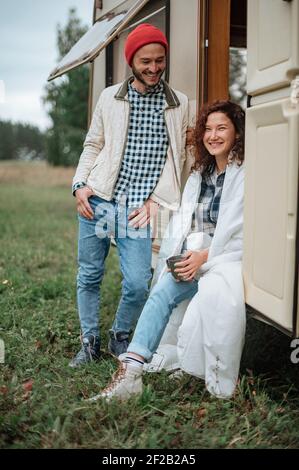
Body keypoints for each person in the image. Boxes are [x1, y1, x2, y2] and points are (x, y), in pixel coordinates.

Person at [88, 100, 246, 400]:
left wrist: (204, 256)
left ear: (237, 133)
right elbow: (184, 223)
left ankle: (210, 375)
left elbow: (246, 234)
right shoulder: (202, 174)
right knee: (160, 291)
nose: (213, 135)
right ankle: (130, 373)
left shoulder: (245, 176)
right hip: (192, 259)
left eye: (222, 128)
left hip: (224, 260)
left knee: (207, 296)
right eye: (208, 129)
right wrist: (186, 254)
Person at [69, 23, 188, 367]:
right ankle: (88, 341)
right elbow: (93, 145)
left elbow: (177, 158)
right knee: (90, 274)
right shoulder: (110, 98)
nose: (153, 68)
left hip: (137, 209)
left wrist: (156, 201)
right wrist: (80, 185)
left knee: (138, 282)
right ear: (131, 62)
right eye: (145, 62)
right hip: (99, 200)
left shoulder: (179, 103)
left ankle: (119, 336)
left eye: (160, 60)